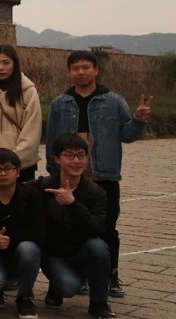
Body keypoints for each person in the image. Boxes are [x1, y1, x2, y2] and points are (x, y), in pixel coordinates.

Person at [44, 50, 151, 297]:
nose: (80, 72)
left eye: (86, 67)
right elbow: (52, 142)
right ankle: (81, 275)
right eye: (75, 68)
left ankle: (111, 276)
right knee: (73, 226)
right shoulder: (60, 103)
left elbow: (127, 135)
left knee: (108, 227)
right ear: (69, 72)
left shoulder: (114, 101)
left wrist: (138, 120)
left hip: (105, 175)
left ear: (96, 70)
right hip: (71, 177)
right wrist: (54, 172)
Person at [37, 133, 118, 319]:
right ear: (57, 159)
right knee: (68, 287)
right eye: (69, 155)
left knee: (99, 247)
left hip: (80, 253)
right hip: (52, 254)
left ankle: (99, 303)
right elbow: (14, 186)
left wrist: (72, 203)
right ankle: (55, 288)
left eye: (81, 155)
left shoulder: (96, 192)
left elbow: (98, 228)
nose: (76, 161)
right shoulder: (45, 185)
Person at [0, 148, 45, 319]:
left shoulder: (31, 195)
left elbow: (38, 231)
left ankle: (25, 298)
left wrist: (9, 238)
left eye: (8, 168)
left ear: (18, 171)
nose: (3, 173)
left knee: (29, 248)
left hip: (20, 250)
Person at [0, 44, 42, 182]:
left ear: (14, 64)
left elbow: (32, 128)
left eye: (6, 63)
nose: (1, 68)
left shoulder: (28, 92)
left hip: (21, 165)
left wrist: (15, 158)